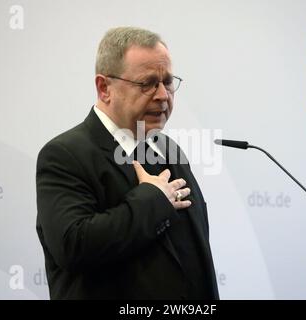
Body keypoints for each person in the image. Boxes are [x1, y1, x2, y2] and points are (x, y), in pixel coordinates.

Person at [36, 26, 219, 300]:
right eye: (147, 83)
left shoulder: (168, 149)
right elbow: (73, 245)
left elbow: (195, 254)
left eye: (167, 82)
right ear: (104, 87)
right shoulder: (64, 155)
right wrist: (152, 200)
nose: (162, 95)